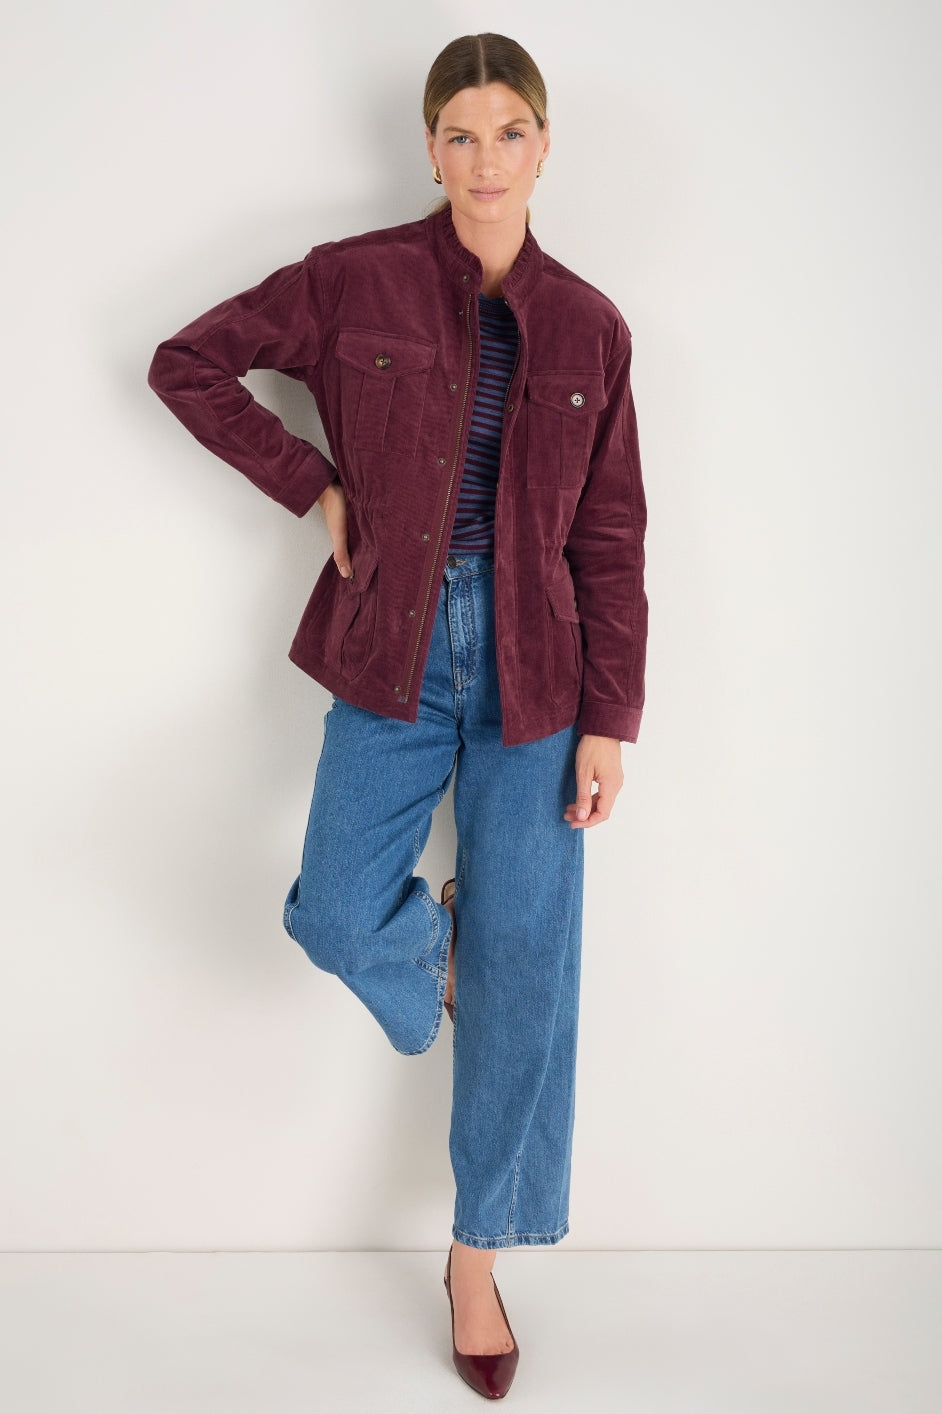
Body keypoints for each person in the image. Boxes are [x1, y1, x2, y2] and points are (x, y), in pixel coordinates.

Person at [148, 32, 647, 1402]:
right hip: (393, 649)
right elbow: (187, 363)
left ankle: (478, 1257)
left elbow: (610, 536)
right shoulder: (350, 279)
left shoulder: (592, 326)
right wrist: (313, 485)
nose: (486, 161)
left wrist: (610, 717)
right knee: (329, 909)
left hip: (541, 672)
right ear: (430, 149)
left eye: (509, 133)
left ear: (543, 146)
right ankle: (432, 952)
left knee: (529, 969)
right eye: (461, 135)